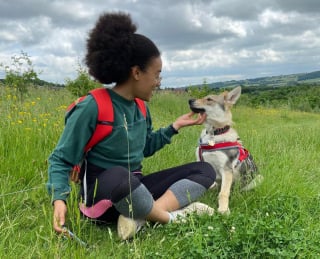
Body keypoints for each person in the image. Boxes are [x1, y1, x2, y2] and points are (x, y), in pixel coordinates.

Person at [47, 12, 216, 241]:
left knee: (205, 170)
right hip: (103, 201)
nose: (159, 83)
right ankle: (171, 217)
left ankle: (141, 215)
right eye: (157, 75)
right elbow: (61, 159)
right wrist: (59, 199)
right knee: (120, 176)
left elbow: (144, 148)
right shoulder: (92, 107)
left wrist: (174, 127)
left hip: (136, 188)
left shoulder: (141, 107)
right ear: (136, 73)